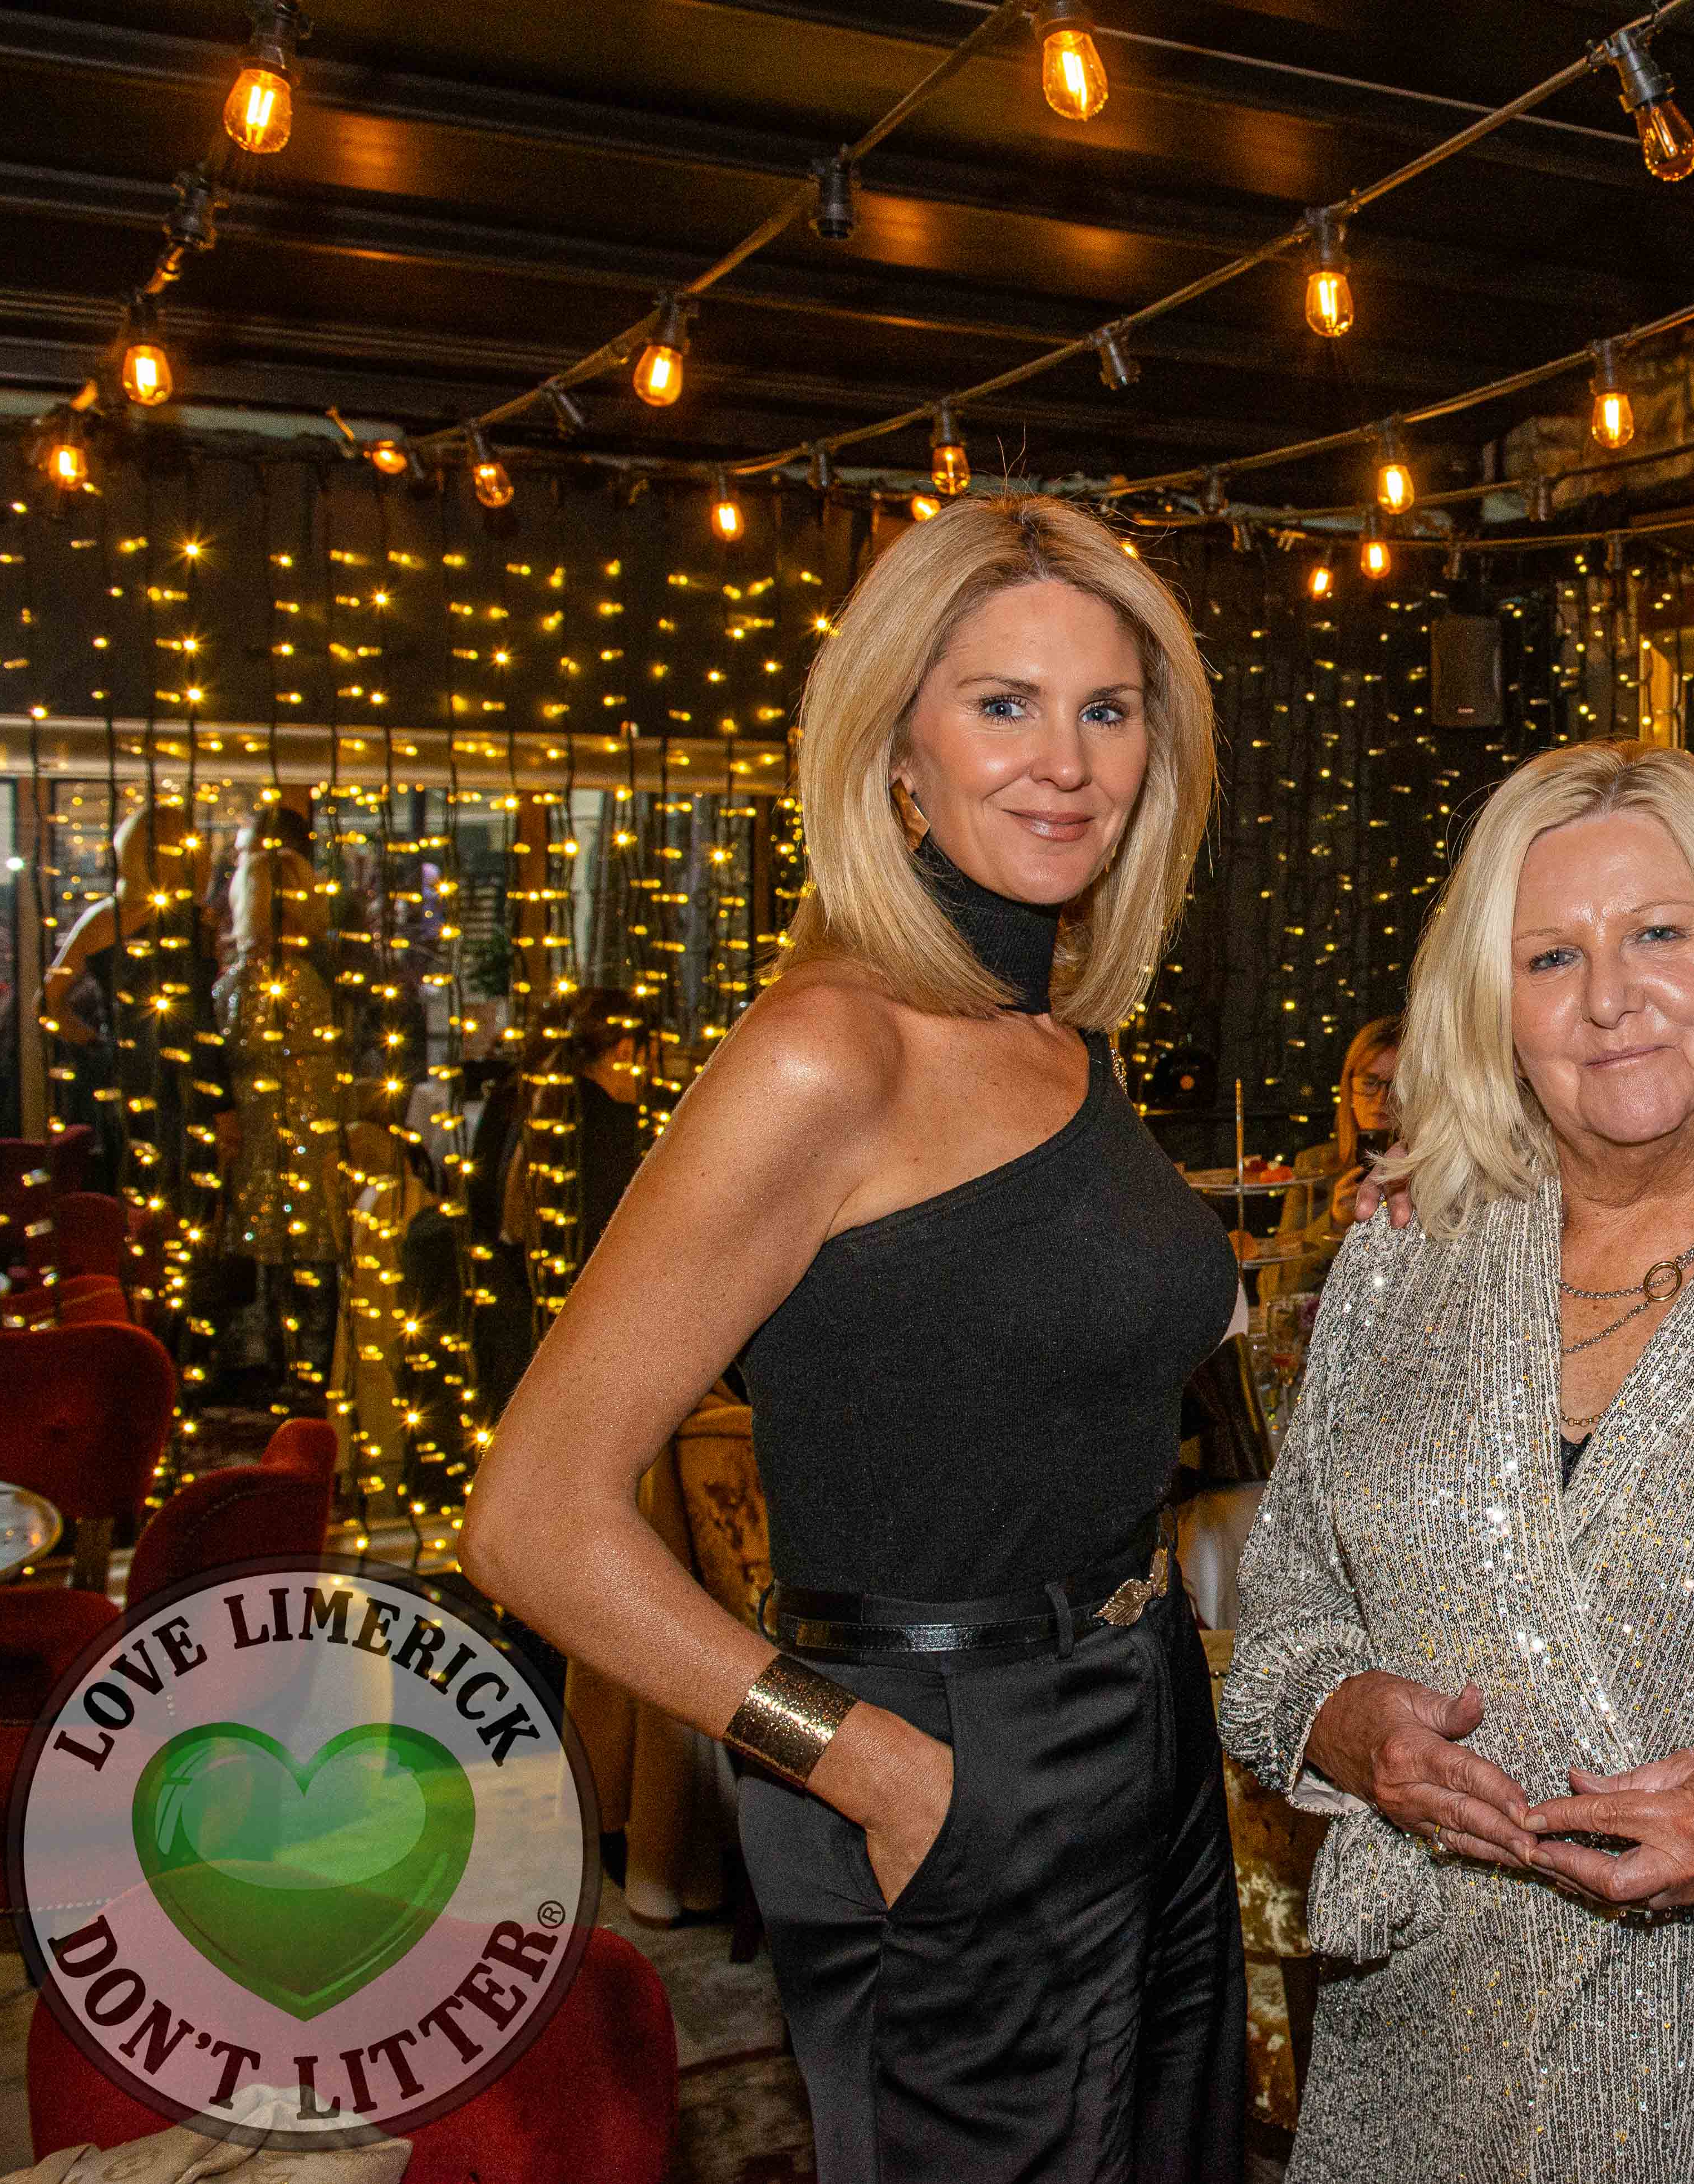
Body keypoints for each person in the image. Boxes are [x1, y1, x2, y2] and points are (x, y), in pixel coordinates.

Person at [462, 495, 1244, 2184]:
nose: (1064, 762)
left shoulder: (1060, 1033)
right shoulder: (829, 1050)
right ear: (897, 752)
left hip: (1142, 1715)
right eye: (1002, 703)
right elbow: (530, 1518)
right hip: (945, 1752)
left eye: (1106, 709)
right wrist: (872, 1768)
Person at [1222, 741, 1694, 2184]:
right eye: (1550, 956)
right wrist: (1342, 1721)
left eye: (1659, 935)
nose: (1608, 998)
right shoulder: (1403, 1266)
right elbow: (1282, 1624)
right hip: (1421, 2085)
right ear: (1493, 1012)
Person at [213, 815, 345, 1381]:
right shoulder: (313, 972)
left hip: (266, 1118)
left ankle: (265, 1356)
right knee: (307, 1231)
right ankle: (307, 1355)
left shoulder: (257, 979)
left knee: (268, 1230)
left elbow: (238, 1046)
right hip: (308, 1117)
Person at [41, 797, 215, 1194]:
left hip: (124, 1075)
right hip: (185, 1079)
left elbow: (48, 1003)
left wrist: (100, 1046)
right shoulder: (192, 924)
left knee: (132, 1190)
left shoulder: (103, 919)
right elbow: (201, 1018)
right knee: (186, 1192)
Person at [502, 983, 651, 1303]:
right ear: (625, 1051)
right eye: (648, 1059)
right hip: (592, 1303)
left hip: (530, 1294)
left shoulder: (540, 1104)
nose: (649, 1075)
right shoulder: (619, 1130)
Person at [1262, 1014, 1396, 1299]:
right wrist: (1333, 1223)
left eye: (1396, 1086)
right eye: (1370, 1083)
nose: (1382, 1100)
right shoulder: (1314, 1169)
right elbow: (1275, 1288)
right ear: (1350, 1091)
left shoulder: (1434, 1171)